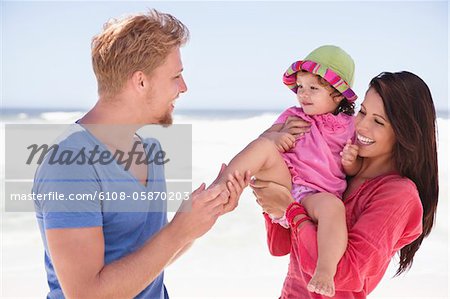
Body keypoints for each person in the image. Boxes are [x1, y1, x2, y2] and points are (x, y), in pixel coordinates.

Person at [32, 10, 249, 298]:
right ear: (141, 81)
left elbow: (149, 263)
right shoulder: (69, 164)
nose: (183, 87)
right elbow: (85, 294)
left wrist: (202, 217)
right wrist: (178, 231)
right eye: (176, 76)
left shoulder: (150, 151)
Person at [251, 71, 439, 298]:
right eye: (362, 112)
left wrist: (291, 210)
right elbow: (280, 246)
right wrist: (274, 193)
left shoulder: (398, 195)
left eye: (378, 121)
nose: (361, 127)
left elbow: (346, 274)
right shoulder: (338, 171)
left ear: (404, 133)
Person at [214, 45, 358, 296]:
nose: (303, 94)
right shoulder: (292, 115)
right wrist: (275, 135)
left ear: (338, 95)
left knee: (334, 209)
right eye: (300, 87)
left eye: (314, 88)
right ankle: (224, 186)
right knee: (262, 146)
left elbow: (356, 168)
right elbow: (262, 141)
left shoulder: (349, 127)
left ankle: (325, 269)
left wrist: (351, 161)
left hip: (317, 196)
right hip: (286, 184)